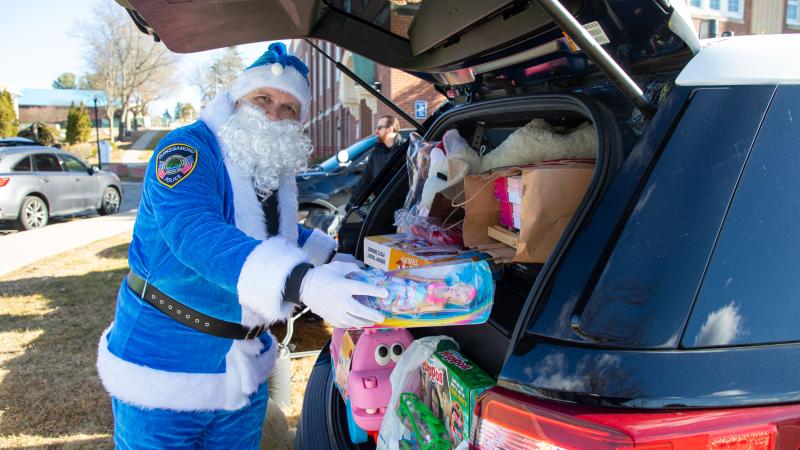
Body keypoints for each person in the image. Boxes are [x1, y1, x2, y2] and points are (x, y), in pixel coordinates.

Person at [96, 42, 386, 450]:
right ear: (234, 99)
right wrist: (302, 283)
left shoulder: (266, 166)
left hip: (244, 366)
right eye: (263, 99)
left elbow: (274, 237)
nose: (273, 115)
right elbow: (194, 231)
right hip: (165, 366)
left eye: (289, 109)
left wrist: (332, 257)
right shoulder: (186, 149)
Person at [351, 114, 408, 201]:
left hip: (401, 204)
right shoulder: (376, 153)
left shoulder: (405, 149)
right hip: (379, 204)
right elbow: (366, 179)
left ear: (390, 129)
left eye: (380, 127)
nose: (376, 131)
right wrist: (351, 205)